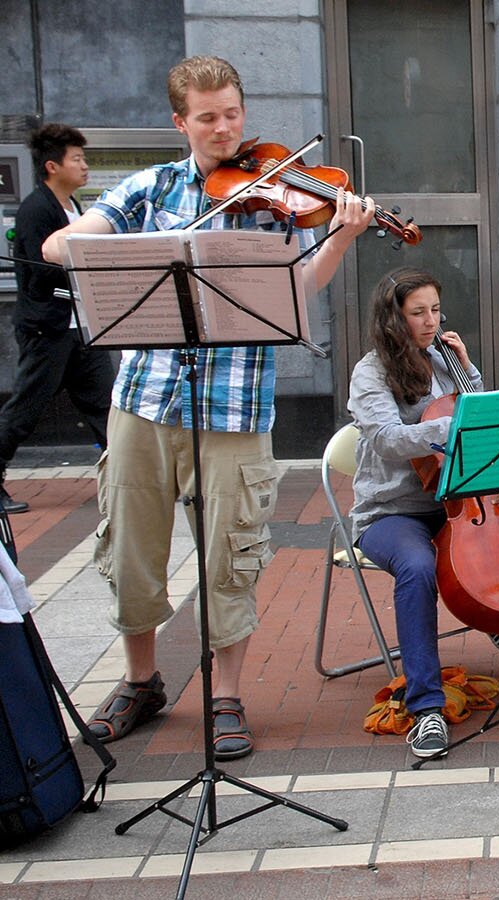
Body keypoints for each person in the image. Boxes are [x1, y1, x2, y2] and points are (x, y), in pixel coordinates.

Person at [41, 56, 377, 757]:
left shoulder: (276, 193)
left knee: (233, 551)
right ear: (179, 122)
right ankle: (141, 681)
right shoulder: (151, 186)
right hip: (142, 399)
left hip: (233, 407)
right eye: (207, 118)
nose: (224, 129)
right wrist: (112, 245)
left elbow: (300, 285)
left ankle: (226, 695)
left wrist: (341, 237)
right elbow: (60, 246)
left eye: (232, 113)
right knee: (131, 541)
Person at [346, 268, 481, 758]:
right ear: (393, 319)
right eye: (418, 313)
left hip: (452, 503)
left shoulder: (444, 360)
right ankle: (426, 708)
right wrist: (445, 425)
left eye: (435, 310)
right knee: (418, 566)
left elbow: (481, 421)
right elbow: (384, 438)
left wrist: (469, 371)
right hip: (390, 512)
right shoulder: (371, 372)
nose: (431, 322)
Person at [0, 123, 116, 515]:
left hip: (80, 328)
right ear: (52, 166)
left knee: (107, 406)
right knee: (24, 410)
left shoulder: (75, 207)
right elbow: (38, 269)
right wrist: (89, 265)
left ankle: (128, 482)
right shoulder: (36, 209)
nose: (85, 166)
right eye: (77, 159)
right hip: (46, 329)